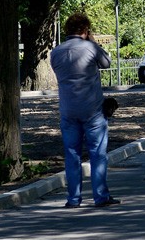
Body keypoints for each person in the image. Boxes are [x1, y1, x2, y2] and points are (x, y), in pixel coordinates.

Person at [50, 13, 120, 208]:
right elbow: (106, 63)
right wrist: (93, 42)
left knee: (72, 154)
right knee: (97, 153)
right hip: (93, 110)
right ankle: (100, 196)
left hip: (68, 111)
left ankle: (73, 199)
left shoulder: (56, 52)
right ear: (85, 30)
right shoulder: (90, 47)